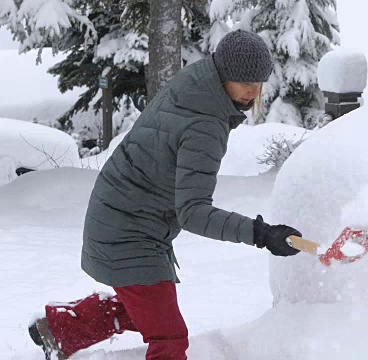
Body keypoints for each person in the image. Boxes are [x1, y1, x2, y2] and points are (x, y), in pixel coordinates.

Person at [27, 29, 302, 360]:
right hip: (130, 231)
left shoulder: (194, 86)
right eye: (243, 80)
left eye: (259, 82)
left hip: (119, 214)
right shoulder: (205, 124)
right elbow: (194, 213)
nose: (252, 90)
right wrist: (261, 233)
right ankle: (60, 329)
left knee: (147, 307)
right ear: (223, 73)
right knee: (169, 338)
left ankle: (59, 329)